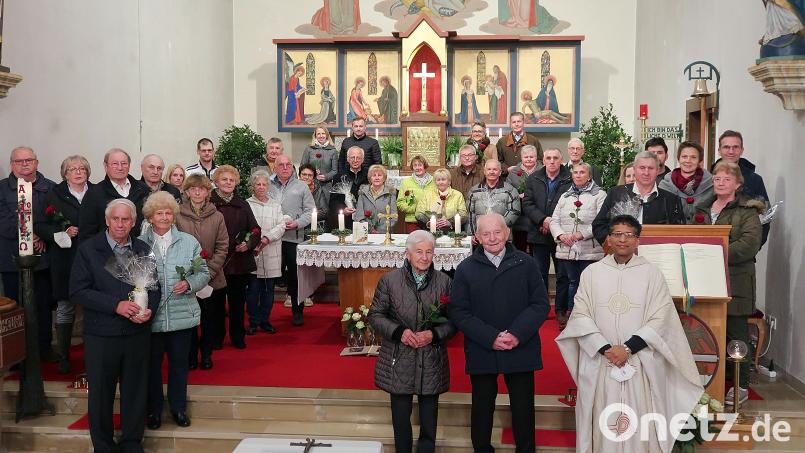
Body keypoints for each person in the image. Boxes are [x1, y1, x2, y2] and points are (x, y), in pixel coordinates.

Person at [556, 215, 703, 452]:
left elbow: (661, 317)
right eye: (617, 234)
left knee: (640, 418)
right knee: (604, 419)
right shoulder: (592, 273)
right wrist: (606, 349)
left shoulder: (651, 274)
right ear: (609, 239)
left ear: (637, 241)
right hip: (603, 362)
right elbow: (580, 316)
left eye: (629, 235)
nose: (622, 239)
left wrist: (627, 349)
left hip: (638, 362)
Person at [450, 213, 550, 453]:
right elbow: (459, 311)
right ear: (477, 237)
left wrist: (517, 333)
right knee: (482, 406)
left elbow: (540, 304)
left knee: (523, 406)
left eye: (497, 232)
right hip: (482, 346)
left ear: (507, 233)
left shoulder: (526, 263)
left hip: (520, 345)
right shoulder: (465, 269)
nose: (492, 238)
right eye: (486, 233)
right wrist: (490, 337)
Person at [70, 198, 160, 453]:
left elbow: (154, 287)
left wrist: (149, 309)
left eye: (126, 219)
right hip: (102, 334)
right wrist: (115, 305)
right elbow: (77, 291)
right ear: (107, 221)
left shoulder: (143, 248)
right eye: (115, 219)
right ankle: (103, 446)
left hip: (136, 333)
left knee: (135, 391)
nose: (120, 224)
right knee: (100, 394)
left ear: (133, 222)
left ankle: (132, 443)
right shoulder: (89, 249)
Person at [367, 230, 454, 453]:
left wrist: (433, 334)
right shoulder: (389, 281)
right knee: (401, 420)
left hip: (431, 358)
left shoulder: (445, 282)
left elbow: (455, 321)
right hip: (399, 357)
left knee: (429, 420)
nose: (424, 257)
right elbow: (375, 315)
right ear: (407, 254)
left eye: (429, 252)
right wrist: (399, 332)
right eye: (419, 252)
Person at [695, 162, 763, 405]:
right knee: (704, 331)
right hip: (704, 280)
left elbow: (748, 245)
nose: (721, 183)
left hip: (736, 282)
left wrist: (714, 252)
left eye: (726, 179)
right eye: (717, 179)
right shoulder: (701, 207)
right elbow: (693, 236)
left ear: (738, 184)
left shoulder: (747, 211)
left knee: (736, 335)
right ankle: (705, 381)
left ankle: (740, 384)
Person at [140, 191, 210, 430]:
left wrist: (190, 283)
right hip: (151, 316)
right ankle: (155, 411)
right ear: (150, 217)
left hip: (182, 315)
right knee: (152, 366)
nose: (164, 217)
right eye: (159, 213)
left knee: (180, 364)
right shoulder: (139, 243)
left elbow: (203, 273)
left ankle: (179, 408)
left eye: (168, 212)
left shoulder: (189, 242)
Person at [1, 146, 57, 361]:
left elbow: (56, 220)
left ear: (37, 162)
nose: (24, 164)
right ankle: (16, 352)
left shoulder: (51, 188)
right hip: (11, 260)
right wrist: (30, 234)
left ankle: (44, 348)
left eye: (28, 160)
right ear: (11, 164)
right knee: (14, 308)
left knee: (43, 304)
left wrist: (42, 235)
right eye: (19, 161)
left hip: (42, 259)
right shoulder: (1, 189)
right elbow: (4, 223)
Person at [40, 155, 93, 373]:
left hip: (92, 258)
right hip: (64, 258)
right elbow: (41, 224)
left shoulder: (97, 192)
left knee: (92, 306)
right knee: (65, 305)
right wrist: (60, 233)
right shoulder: (54, 194)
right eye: (73, 169)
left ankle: (93, 357)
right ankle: (63, 356)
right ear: (65, 174)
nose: (78, 172)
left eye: (82, 168)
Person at [176, 174, 229, 370]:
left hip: (213, 278)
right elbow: (176, 246)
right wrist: (191, 275)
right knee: (189, 321)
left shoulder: (217, 216)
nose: (197, 192)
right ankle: (190, 356)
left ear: (208, 192)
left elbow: (223, 246)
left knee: (210, 320)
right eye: (193, 189)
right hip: (187, 279)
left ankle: (206, 354)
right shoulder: (177, 216)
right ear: (187, 192)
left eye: (202, 189)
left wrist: (208, 272)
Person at [548, 163, 606, 329]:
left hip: (590, 250)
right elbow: (554, 220)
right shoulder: (565, 196)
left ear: (589, 176)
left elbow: (601, 221)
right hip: (567, 249)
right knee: (572, 282)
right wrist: (561, 235)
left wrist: (583, 234)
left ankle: (589, 319)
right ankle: (573, 318)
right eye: (576, 172)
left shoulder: (600, 195)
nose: (579, 175)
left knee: (588, 285)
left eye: (582, 172)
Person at [211, 165, 260, 349]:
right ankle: (216, 338)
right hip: (216, 263)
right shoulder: (209, 203)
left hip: (239, 263)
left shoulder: (242, 203)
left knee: (238, 304)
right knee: (215, 305)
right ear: (216, 182)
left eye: (232, 180)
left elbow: (255, 229)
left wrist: (248, 244)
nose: (228, 183)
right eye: (224, 179)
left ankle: (238, 336)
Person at [592, 151, 685, 245]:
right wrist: (612, 241)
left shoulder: (671, 199)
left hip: (657, 255)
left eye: (651, 168)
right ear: (635, 169)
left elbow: (678, 232)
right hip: (621, 254)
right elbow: (599, 225)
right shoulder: (616, 193)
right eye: (642, 168)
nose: (646, 172)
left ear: (657, 171)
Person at [522, 148, 572, 306]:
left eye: (555, 158)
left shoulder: (570, 178)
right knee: (539, 273)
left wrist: (551, 223)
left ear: (561, 160)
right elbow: (527, 204)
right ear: (543, 161)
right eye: (548, 158)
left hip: (562, 235)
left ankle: (560, 308)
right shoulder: (533, 178)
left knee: (562, 274)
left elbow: (570, 206)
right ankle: (542, 306)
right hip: (539, 233)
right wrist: (542, 220)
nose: (552, 161)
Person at [269, 155, 315, 326]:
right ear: (275, 167)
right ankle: (264, 315)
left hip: (293, 238)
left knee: (295, 277)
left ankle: (297, 310)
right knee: (269, 276)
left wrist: (297, 223)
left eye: (289, 164)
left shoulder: (301, 186)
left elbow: (310, 212)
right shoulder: (267, 185)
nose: (285, 167)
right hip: (271, 238)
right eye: (281, 165)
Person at [712, 130, 770, 246]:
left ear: (742, 150)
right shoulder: (709, 177)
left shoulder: (754, 180)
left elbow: (765, 216)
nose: (731, 151)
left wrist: (754, 247)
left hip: (743, 251)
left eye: (735, 147)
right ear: (719, 150)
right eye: (726, 147)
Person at [246, 170, 286, 335]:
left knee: (269, 290)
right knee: (253, 290)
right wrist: (254, 242)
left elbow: (281, 225)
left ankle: (265, 320)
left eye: (264, 184)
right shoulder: (247, 204)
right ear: (252, 187)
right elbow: (245, 226)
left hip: (271, 250)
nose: (261, 187)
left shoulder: (275, 205)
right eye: (258, 184)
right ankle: (253, 322)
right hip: (253, 253)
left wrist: (267, 238)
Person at [80, 148, 151, 240]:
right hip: (106, 251)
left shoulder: (143, 189)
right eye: (115, 164)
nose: (120, 168)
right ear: (105, 166)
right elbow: (87, 233)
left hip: (140, 249)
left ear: (129, 165)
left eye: (124, 163)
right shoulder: (94, 194)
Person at [658, 141, 714, 224]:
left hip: (703, 233)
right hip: (674, 233)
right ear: (679, 158)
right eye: (684, 156)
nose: (688, 161)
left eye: (693, 157)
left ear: (700, 160)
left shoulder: (711, 184)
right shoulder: (665, 185)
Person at [466, 159, 520, 236]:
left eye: (495, 169)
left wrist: (497, 226)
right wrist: (472, 234)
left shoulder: (510, 190)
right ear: (484, 172)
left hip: (502, 235)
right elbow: (470, 214)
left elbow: (514, 212)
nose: (491, 172)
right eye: (489, 169)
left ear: (500, 172)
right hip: (480, 235)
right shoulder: (474, 191)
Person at [505, 145, 539, 251]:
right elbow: (507, 191)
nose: (529, 159)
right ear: (521, 158)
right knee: (520, 250)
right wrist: (517, 195)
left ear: (536, 157)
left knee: (537, 251)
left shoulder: (543, 171)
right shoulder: (514, 173)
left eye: (531, 157)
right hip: (520, 218)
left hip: (537, 217)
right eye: (526, 157)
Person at [329, 146, 368, 230]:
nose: (355, 160)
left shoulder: (369, 176)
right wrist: (343, 209)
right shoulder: (339, 177)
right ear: (347, 159)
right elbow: (333, 201)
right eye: (352, 157)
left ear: (363, 159)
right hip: (346, 220)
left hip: (366, 218)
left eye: (358, 157)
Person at [354, 164, 397, 233]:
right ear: (370, 178)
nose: (377, 178)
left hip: (385, 234)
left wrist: (380, 231)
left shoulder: (390, 194)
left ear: (384, 178)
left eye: (379, 175)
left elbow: (394, 217)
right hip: (366, 233)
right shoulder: (363, 193)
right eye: (374, 175)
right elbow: (359, 217)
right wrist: (370, 229)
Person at [397, 155, 435, 233]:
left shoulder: (434, 181)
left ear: (424, 166)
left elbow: (439, 200)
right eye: (415, 165)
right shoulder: (406, 182)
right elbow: (400, 203)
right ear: (412, 167)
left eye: (420, 165)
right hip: (412, 220)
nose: (417, 168)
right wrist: (415, 209)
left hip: (430, 221)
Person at [300, 126, 339, 194]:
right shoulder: (309, 149)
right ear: (315, 135)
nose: (321, 136)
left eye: (323, 133)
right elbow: (302, 167)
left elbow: (335, 171)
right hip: (310, 185)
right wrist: (312, 172)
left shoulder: (333, 150)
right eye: (318, 134)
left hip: (326, 187)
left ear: (326, 135)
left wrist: (326, 177)